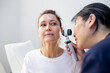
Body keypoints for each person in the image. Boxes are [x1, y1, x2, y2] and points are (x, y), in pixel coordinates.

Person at [66, 2, 110, 73]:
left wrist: (90, 58)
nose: (73, 34)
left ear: (91, 20)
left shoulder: (97, 54)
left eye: (76, 23)